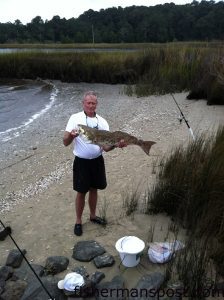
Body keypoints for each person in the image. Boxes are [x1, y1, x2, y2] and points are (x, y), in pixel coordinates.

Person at [63, 91, 126, 236]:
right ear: (83, 103)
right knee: (81, 192)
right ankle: (78, 221)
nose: (91, 105)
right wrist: (71, 136)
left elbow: (106, 147)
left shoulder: (102, 122)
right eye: (88, 103)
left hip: (97, 161)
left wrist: (117, 145)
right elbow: (65, 142)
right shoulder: (75, 118)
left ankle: (92, 216)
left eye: (93, 103)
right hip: (81, 162)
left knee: (94, 189)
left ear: (97, 104)